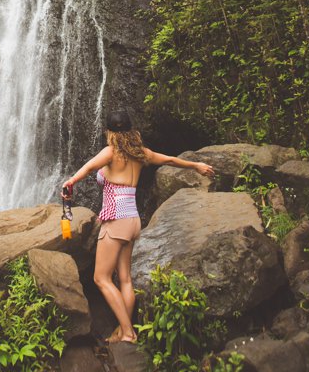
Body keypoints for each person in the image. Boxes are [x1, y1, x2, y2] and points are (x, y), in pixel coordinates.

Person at [62, 111, 214, 343]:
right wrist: (196, 165)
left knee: (101, 278)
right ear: (131, 130)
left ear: (110, 132)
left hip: (116, 220)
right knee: (124, 278)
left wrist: (71, 181)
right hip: (133, 220)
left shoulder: (111, 152)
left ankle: (129, 333)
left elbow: (91, 168)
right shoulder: (141, 153)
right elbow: (171, 160)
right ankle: (122, 330)